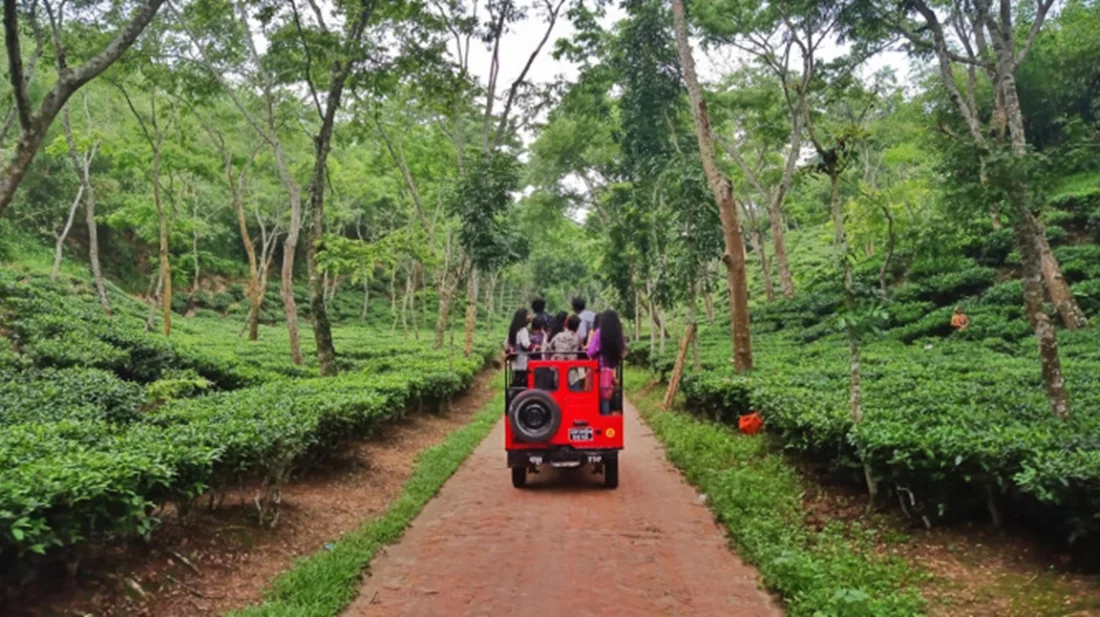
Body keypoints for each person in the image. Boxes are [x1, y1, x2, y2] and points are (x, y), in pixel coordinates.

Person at [587, 310, 627, 415]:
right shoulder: (618, 335)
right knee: (606, 395)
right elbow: (623, 350)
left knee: (596, 395)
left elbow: (590, 352)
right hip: (610, 370)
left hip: (597, 368)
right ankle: (607, 417)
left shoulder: (599, 333)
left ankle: (599, 417)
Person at [505, 308, 532, 387]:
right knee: (523, 380)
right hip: (523, 360)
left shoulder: (513, 329)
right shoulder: (523, 330)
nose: (529, 317)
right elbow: (526, 344)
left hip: (515, 360)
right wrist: (536, 348)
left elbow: (506, 343)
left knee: (517, 378)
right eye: (528, 315)